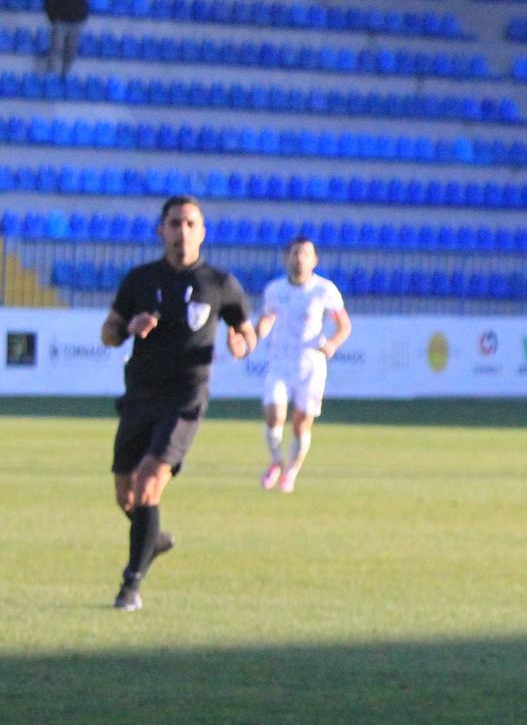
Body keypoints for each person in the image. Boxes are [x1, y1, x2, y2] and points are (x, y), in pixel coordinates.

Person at [100, 197, 254, 611]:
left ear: (202, 232)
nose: (182, 231)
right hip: (139, 396)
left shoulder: (220, 283)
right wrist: (128, 328)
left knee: (149, 482)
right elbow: (109, 332)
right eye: (174, 223)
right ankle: (153, 538)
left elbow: (245, 329)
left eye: (190, 224)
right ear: (161, 230)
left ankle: (130, 585)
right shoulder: (139, 279)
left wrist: (241, 342)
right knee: (126, 495)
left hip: (185, 398)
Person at [255, 237, 350, 493]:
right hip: (280, 362)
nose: (300, 258)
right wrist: (257, 333)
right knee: (274, 414)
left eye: (306, 253)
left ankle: (291, 471)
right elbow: (267, 318)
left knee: (301, 424)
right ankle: (276, 461)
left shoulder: (324, 290)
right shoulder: (275, 290)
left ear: (314, 260)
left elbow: (344, 325)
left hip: (311, 366)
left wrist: (331, 344)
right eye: (296, 252)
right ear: (287, 257)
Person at [42, 0, 87, 79]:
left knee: (71, 52)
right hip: (60, 22)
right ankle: (51, 76)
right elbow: (48, 0)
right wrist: (53, 17)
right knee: (56, 50)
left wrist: (82, 16)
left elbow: (83, 0)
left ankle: (65, 74)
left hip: (75, 23)